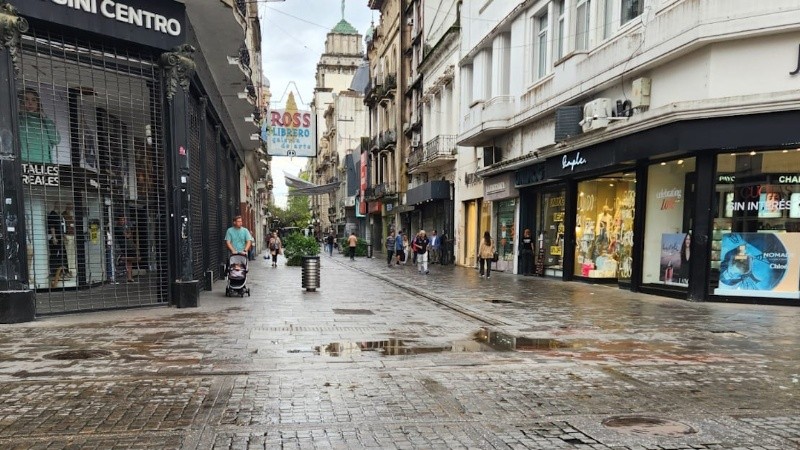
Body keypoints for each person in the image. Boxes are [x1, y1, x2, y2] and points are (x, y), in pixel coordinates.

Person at [19, 87, 60, 164]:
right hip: (24, 163)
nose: (30, 103)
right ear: (21, 102)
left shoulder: (45, 120)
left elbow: (56, 140)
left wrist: (45, 117)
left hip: (45, 164)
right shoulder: (18, 119)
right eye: (26, 99)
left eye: (34, 100)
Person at [47, 202, 68, 288]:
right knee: (55, 254)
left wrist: (63, 236)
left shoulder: (59, 216)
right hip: (55, 238)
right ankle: (54, 271)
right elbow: (52, 227)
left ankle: (62, 271)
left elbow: (60, 227)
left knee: (62, 254)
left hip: (60, 238)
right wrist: (54, 237)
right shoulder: (52, 215)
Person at [114, 214, 136, 283]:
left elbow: (130, 235)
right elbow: (127, 235)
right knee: (128, 260)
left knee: (129, 261)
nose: (123, 221)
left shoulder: (126, 227)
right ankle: (121, 259)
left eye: (124, 219)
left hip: (129, 246)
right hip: (124, 246)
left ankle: (129, 277)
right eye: (121, 220)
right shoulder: (118, 228)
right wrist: (128, 233)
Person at [62, 202, 76, 278]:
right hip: (67, 236)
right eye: (70, 206)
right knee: (68, 254)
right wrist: (64, 235)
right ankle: (69, 270)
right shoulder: (64, 215)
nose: (71, 208)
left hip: (72, 235)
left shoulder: (71, 215)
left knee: (73, 254)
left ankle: (72, 270)